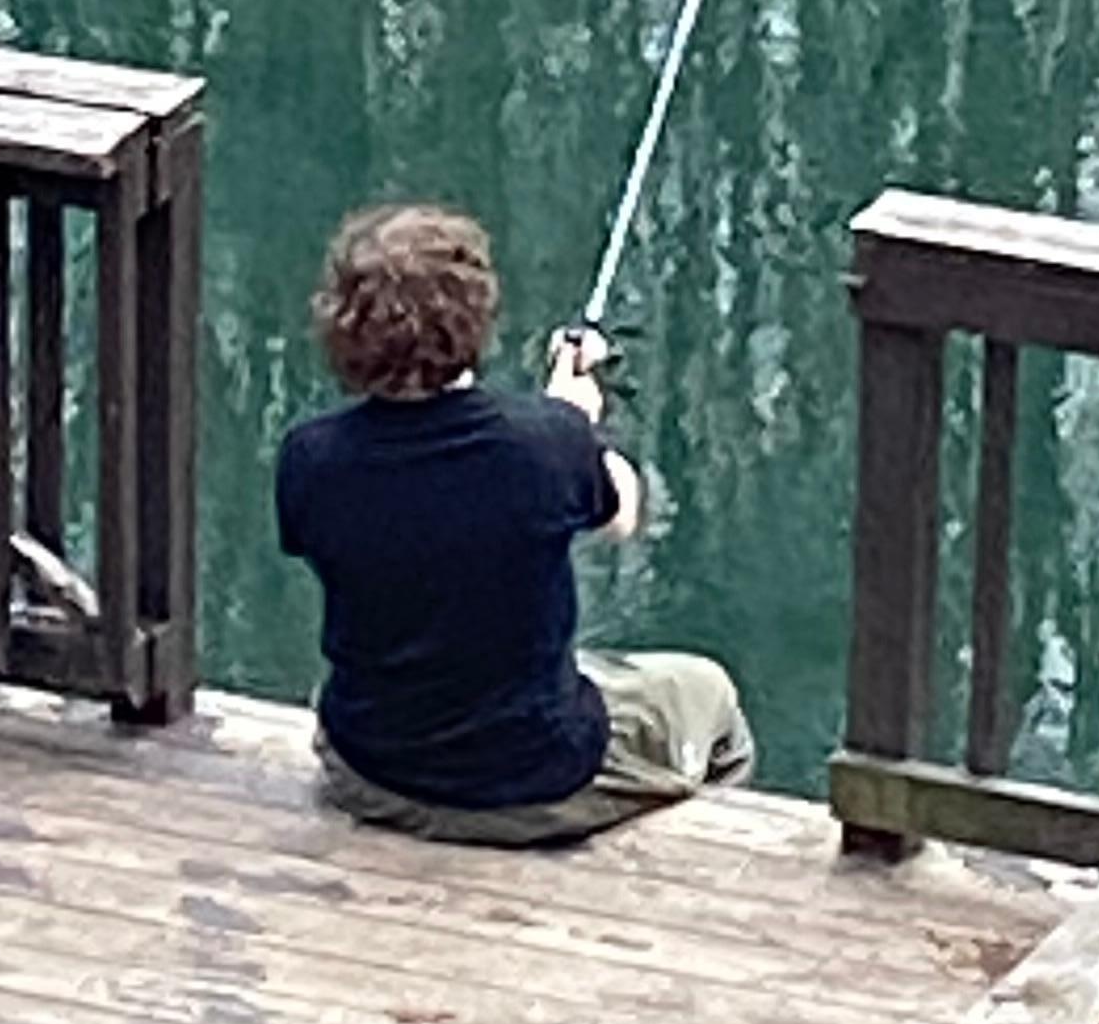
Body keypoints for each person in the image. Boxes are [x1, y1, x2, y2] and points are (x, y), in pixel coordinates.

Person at [273, 197, 754, 845]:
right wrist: (581, 420)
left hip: (370, 767)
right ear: (475, 318)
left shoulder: (310, 458)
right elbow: (622, 512)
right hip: (535, 780)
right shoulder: (546, 445)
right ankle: (688, 866)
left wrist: (560, 424)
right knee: (710, 694)